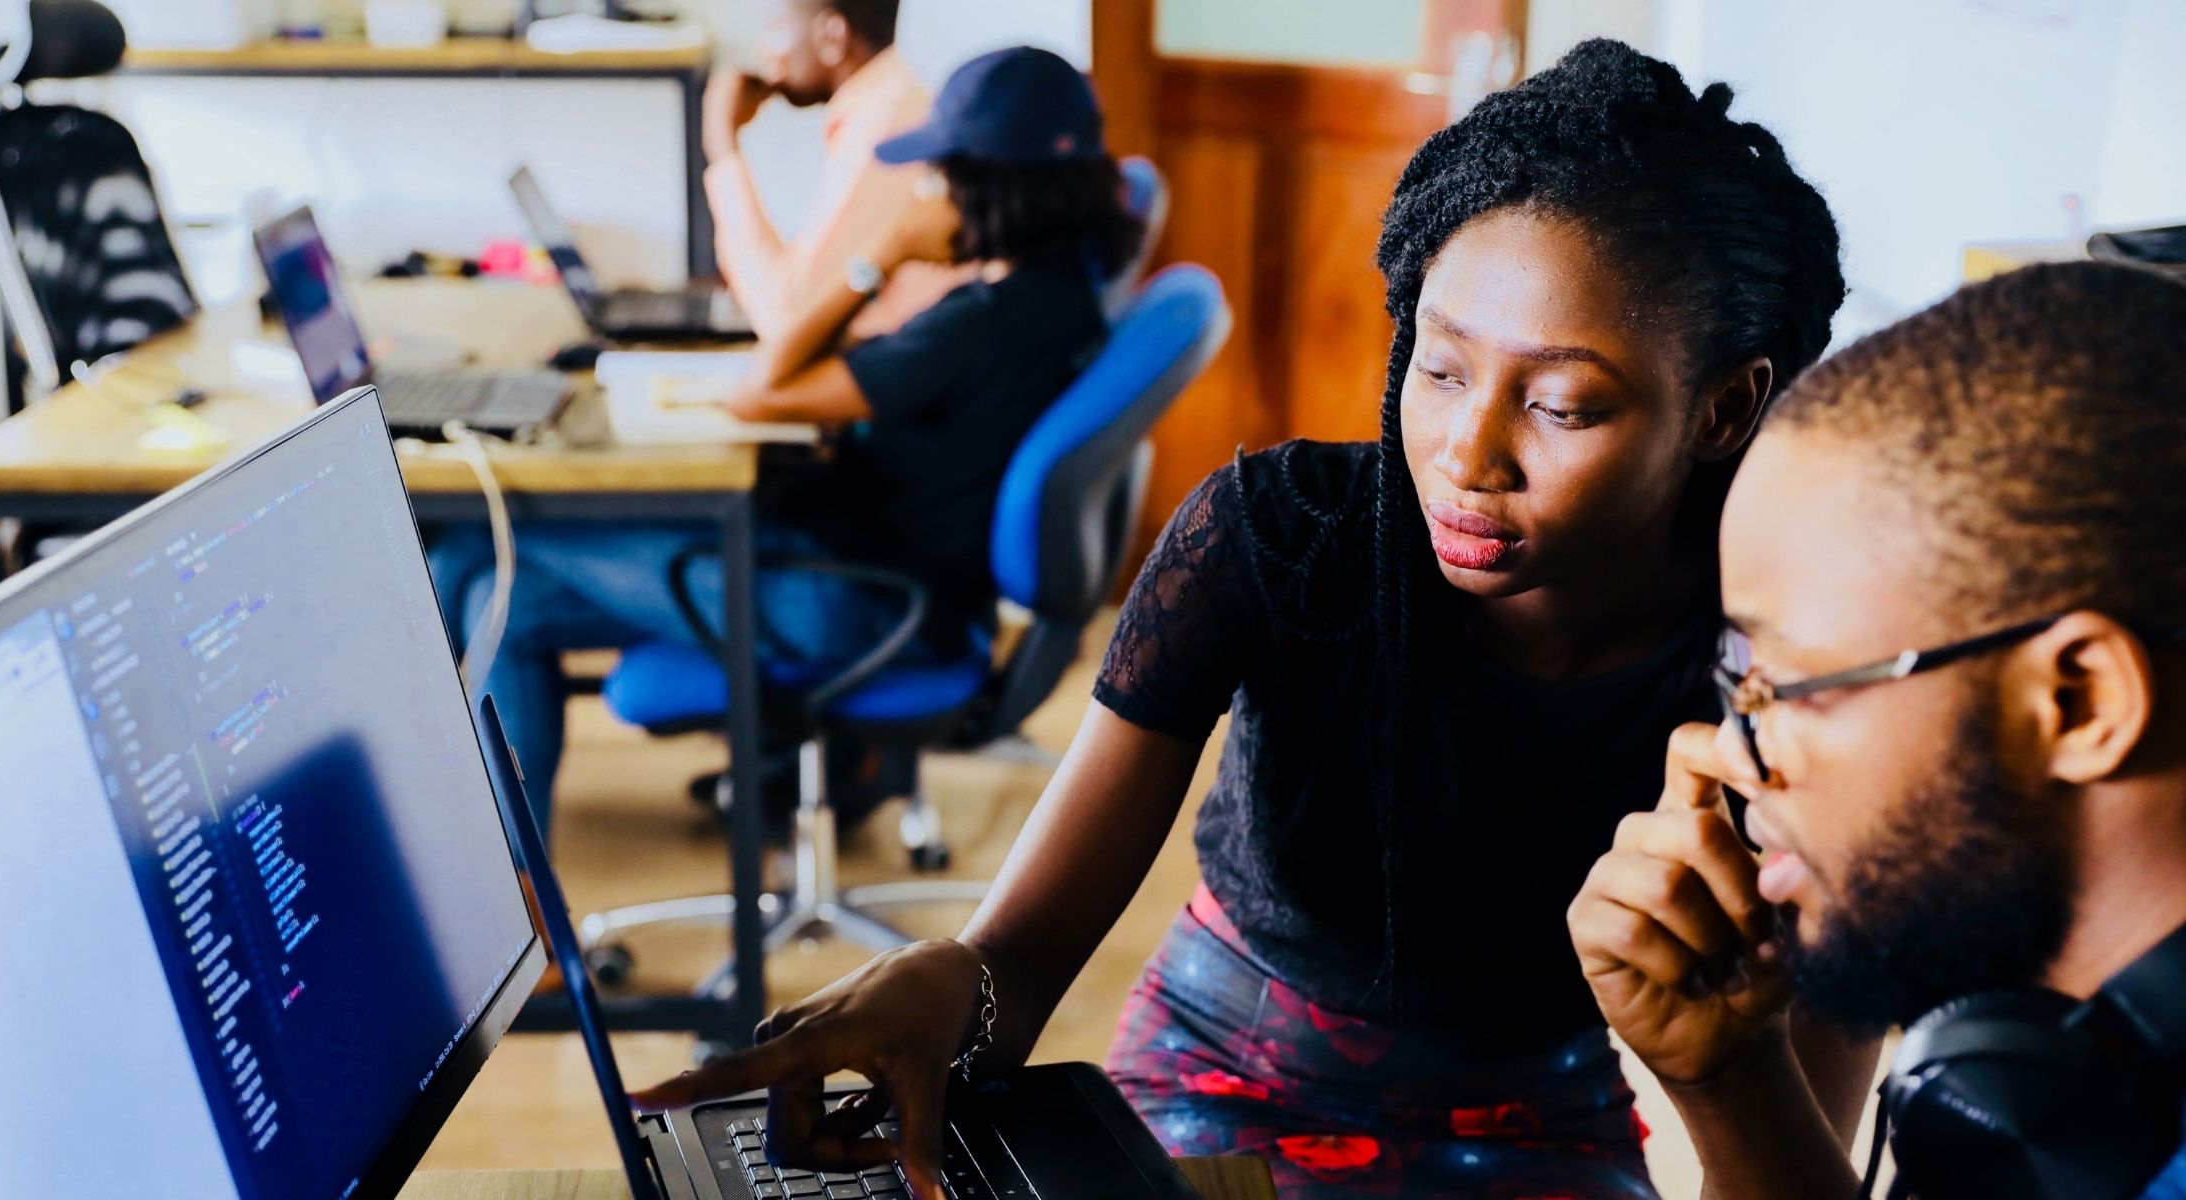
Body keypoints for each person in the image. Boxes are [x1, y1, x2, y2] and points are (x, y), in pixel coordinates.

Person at [632, 40, 1861, 1200]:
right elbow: (1017, 961)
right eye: (1438, 370)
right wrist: (950, 983)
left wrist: (1720, 1067)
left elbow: (1798, 1161)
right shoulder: (1280, 541)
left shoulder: (1797, 672)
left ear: (1720, 408)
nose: (1466, 455)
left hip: (1539, 1119)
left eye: (1561, 405)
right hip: (1226, 1069)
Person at [1569, 262, 2186, 1199]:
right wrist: (1735, 1080)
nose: (1730, 752)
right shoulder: (2059, 1081)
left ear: (2079, 703)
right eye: (1740, 680)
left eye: (1794, 684)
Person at [431, 47, 1143, 820]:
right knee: (504, 594)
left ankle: (484, 866)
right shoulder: (1061, 296)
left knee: (478, 556)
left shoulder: (982, 327)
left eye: (939, 172)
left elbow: (764, 388)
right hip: (890, 585)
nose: (923, 189)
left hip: (854, 605)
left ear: (988, 186)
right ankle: (521, 888)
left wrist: (882, 253)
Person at [704, 0, 964, 339]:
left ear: (833, 36)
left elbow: (788, 319)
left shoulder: (882, 129)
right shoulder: (890, 105)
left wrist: (722, 146)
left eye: (775, 28)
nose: (762, 49)